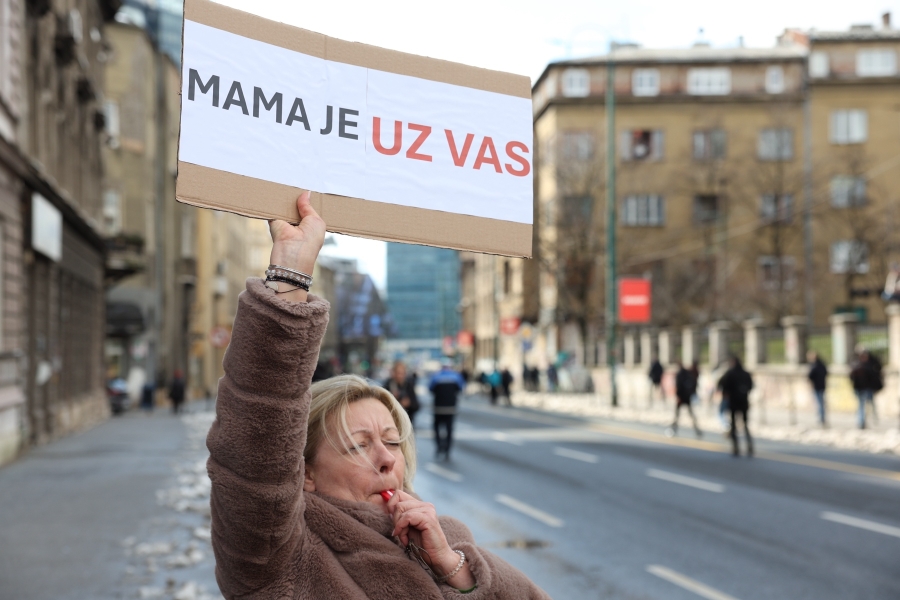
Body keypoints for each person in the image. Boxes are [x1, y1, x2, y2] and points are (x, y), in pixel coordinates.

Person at [207, 193, 549, 599]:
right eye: (358, 445)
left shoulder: (449, 542)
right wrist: (289, 277)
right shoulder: (280, 559)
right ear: (306, 472)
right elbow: (256, 440)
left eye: (391, 441)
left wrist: (455, 570)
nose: (388, 459)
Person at [429, 359, 466, 460]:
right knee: (449, 429)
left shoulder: (436, 376)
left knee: (437, 428)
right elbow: (461, 388)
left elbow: (431, 389)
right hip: (451, 408)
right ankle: (448, 449)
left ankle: (439, 446)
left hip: (438, 408)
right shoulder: (456, 376)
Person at [717, 356, 754, 457]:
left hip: (733, 402)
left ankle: (736, 447)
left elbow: (722, 385)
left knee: (734, 425)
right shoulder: (745, 374)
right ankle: (749, 446)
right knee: (745, 424)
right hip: (743, 402)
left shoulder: (730, 373)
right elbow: (751, 386)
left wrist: (727, 395)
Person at [668, 361, 701, 438]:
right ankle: (697, 430)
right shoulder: (688, 374)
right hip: (687, 397)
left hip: (682, 398)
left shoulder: (680, 374)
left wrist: (678, 396)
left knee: (677, 415)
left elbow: (678, 387)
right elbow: (693, 384)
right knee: (691, 415)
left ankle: (673, 430)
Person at [850, 350, 881, 429]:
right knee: (863, 406)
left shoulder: (860, 365)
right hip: (863, 389)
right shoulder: (864, 366)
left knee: (865, 405)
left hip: (863, 389)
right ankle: (862, 422)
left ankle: (866, 421)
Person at [384, 360, 419, 428]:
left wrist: (409, 404)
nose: (400, 376)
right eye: (398, 373)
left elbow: (416, 406)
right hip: (391, 424)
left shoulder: (409, 386)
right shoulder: (387, 385)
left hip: (407, 423)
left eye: (402, 373)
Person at [806, 352, 828, 427]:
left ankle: (821, 418)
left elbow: (809, 376)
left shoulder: (814, 366)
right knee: (821, 403)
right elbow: (826, 373)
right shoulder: (822, 365)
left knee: (819, 403)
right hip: (822, 386)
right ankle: (822, 418)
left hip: (816, 386)